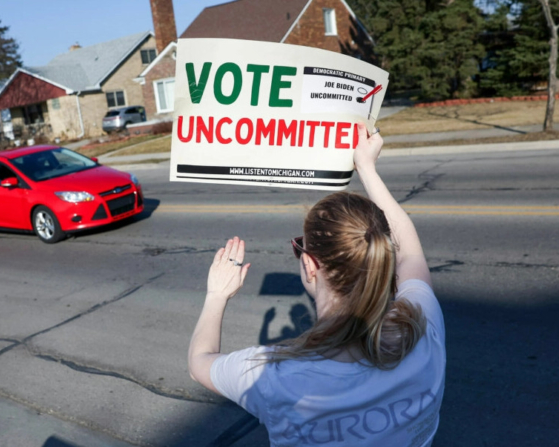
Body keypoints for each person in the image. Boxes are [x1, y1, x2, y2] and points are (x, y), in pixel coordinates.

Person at [188, 123, 446, 446]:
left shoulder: (277, 377)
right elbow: (409, 250)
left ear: (310, 265)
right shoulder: (423, 327)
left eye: (301, 246)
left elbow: (199, 363)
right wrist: (367, 168)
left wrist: (216, 295)